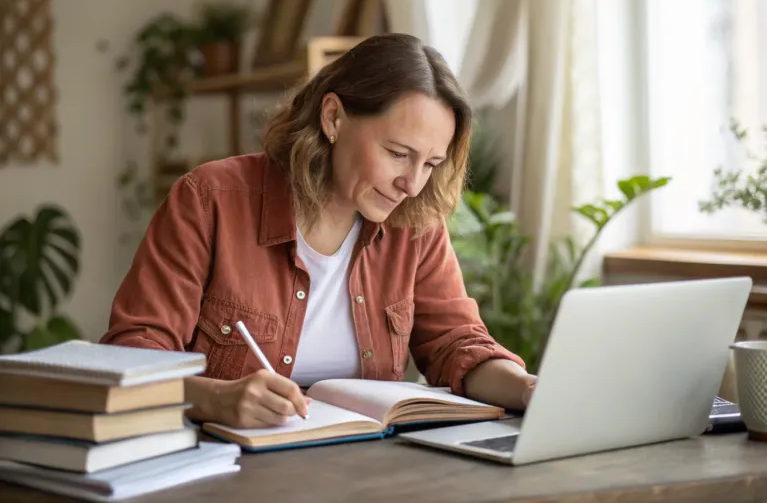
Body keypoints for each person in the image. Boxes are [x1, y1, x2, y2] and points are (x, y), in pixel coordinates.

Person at [100, 33, 536, 429]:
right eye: (398, 153)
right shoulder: (211, 199)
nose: (413, 183)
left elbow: (456, 345)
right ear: (333, 118)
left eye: (431, 164)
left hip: (362, 471)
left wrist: (526, 387)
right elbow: (135, 354)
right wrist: (213, 399)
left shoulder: (415, 222)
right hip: (226, 468)